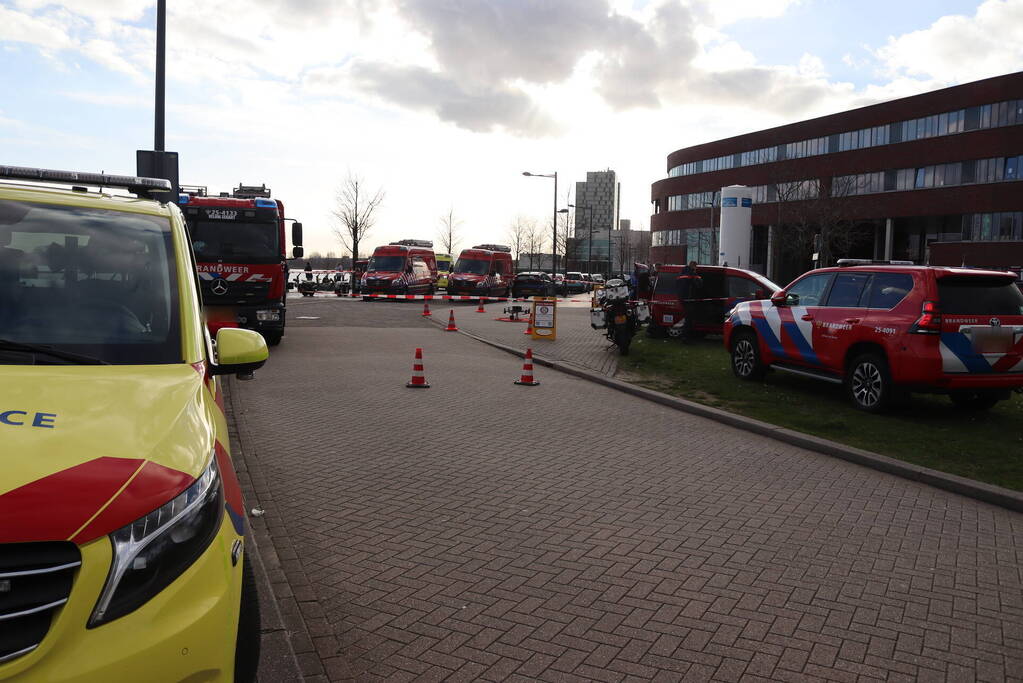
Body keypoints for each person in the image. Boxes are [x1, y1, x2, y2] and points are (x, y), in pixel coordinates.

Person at [675, 260, 702, 342]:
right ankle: (685, 337)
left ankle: (686, 336)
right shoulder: (692, 274)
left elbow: (677, 284)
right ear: (693, 266)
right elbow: (698, 285)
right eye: (695, 267)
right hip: (689, 299)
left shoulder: (682, 272)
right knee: (689, 319)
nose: (696, 268)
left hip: (682, 298)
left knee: (687, 318)